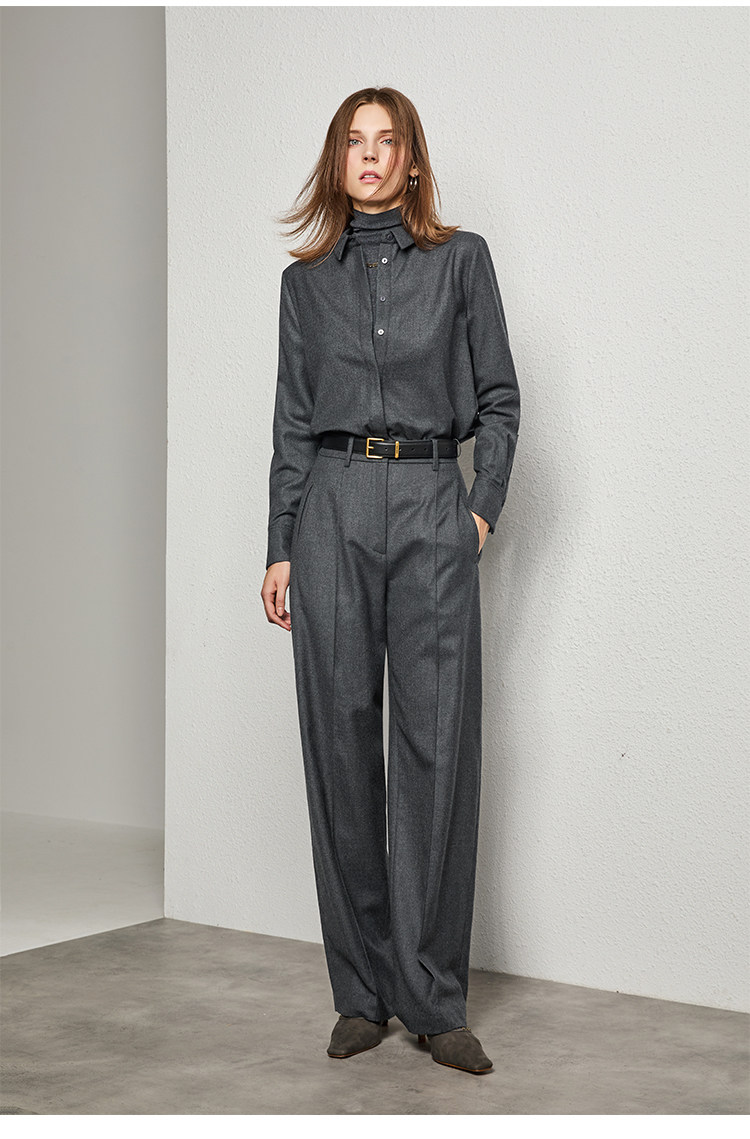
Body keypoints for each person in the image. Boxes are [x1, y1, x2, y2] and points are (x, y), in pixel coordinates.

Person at [261, 87, 521, 1075]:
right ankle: (362, 992)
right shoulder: (304, 287)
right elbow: (292, 425)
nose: (370, 156)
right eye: (353, 142)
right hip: (330, 507)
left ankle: (433, 995)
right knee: (338, 745)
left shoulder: (462, 261)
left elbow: (499, 398)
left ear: (412, 161)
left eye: (388, 141)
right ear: (338, 162)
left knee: (436, 746)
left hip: (428, 505)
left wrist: (478, 511)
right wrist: (281, 546)